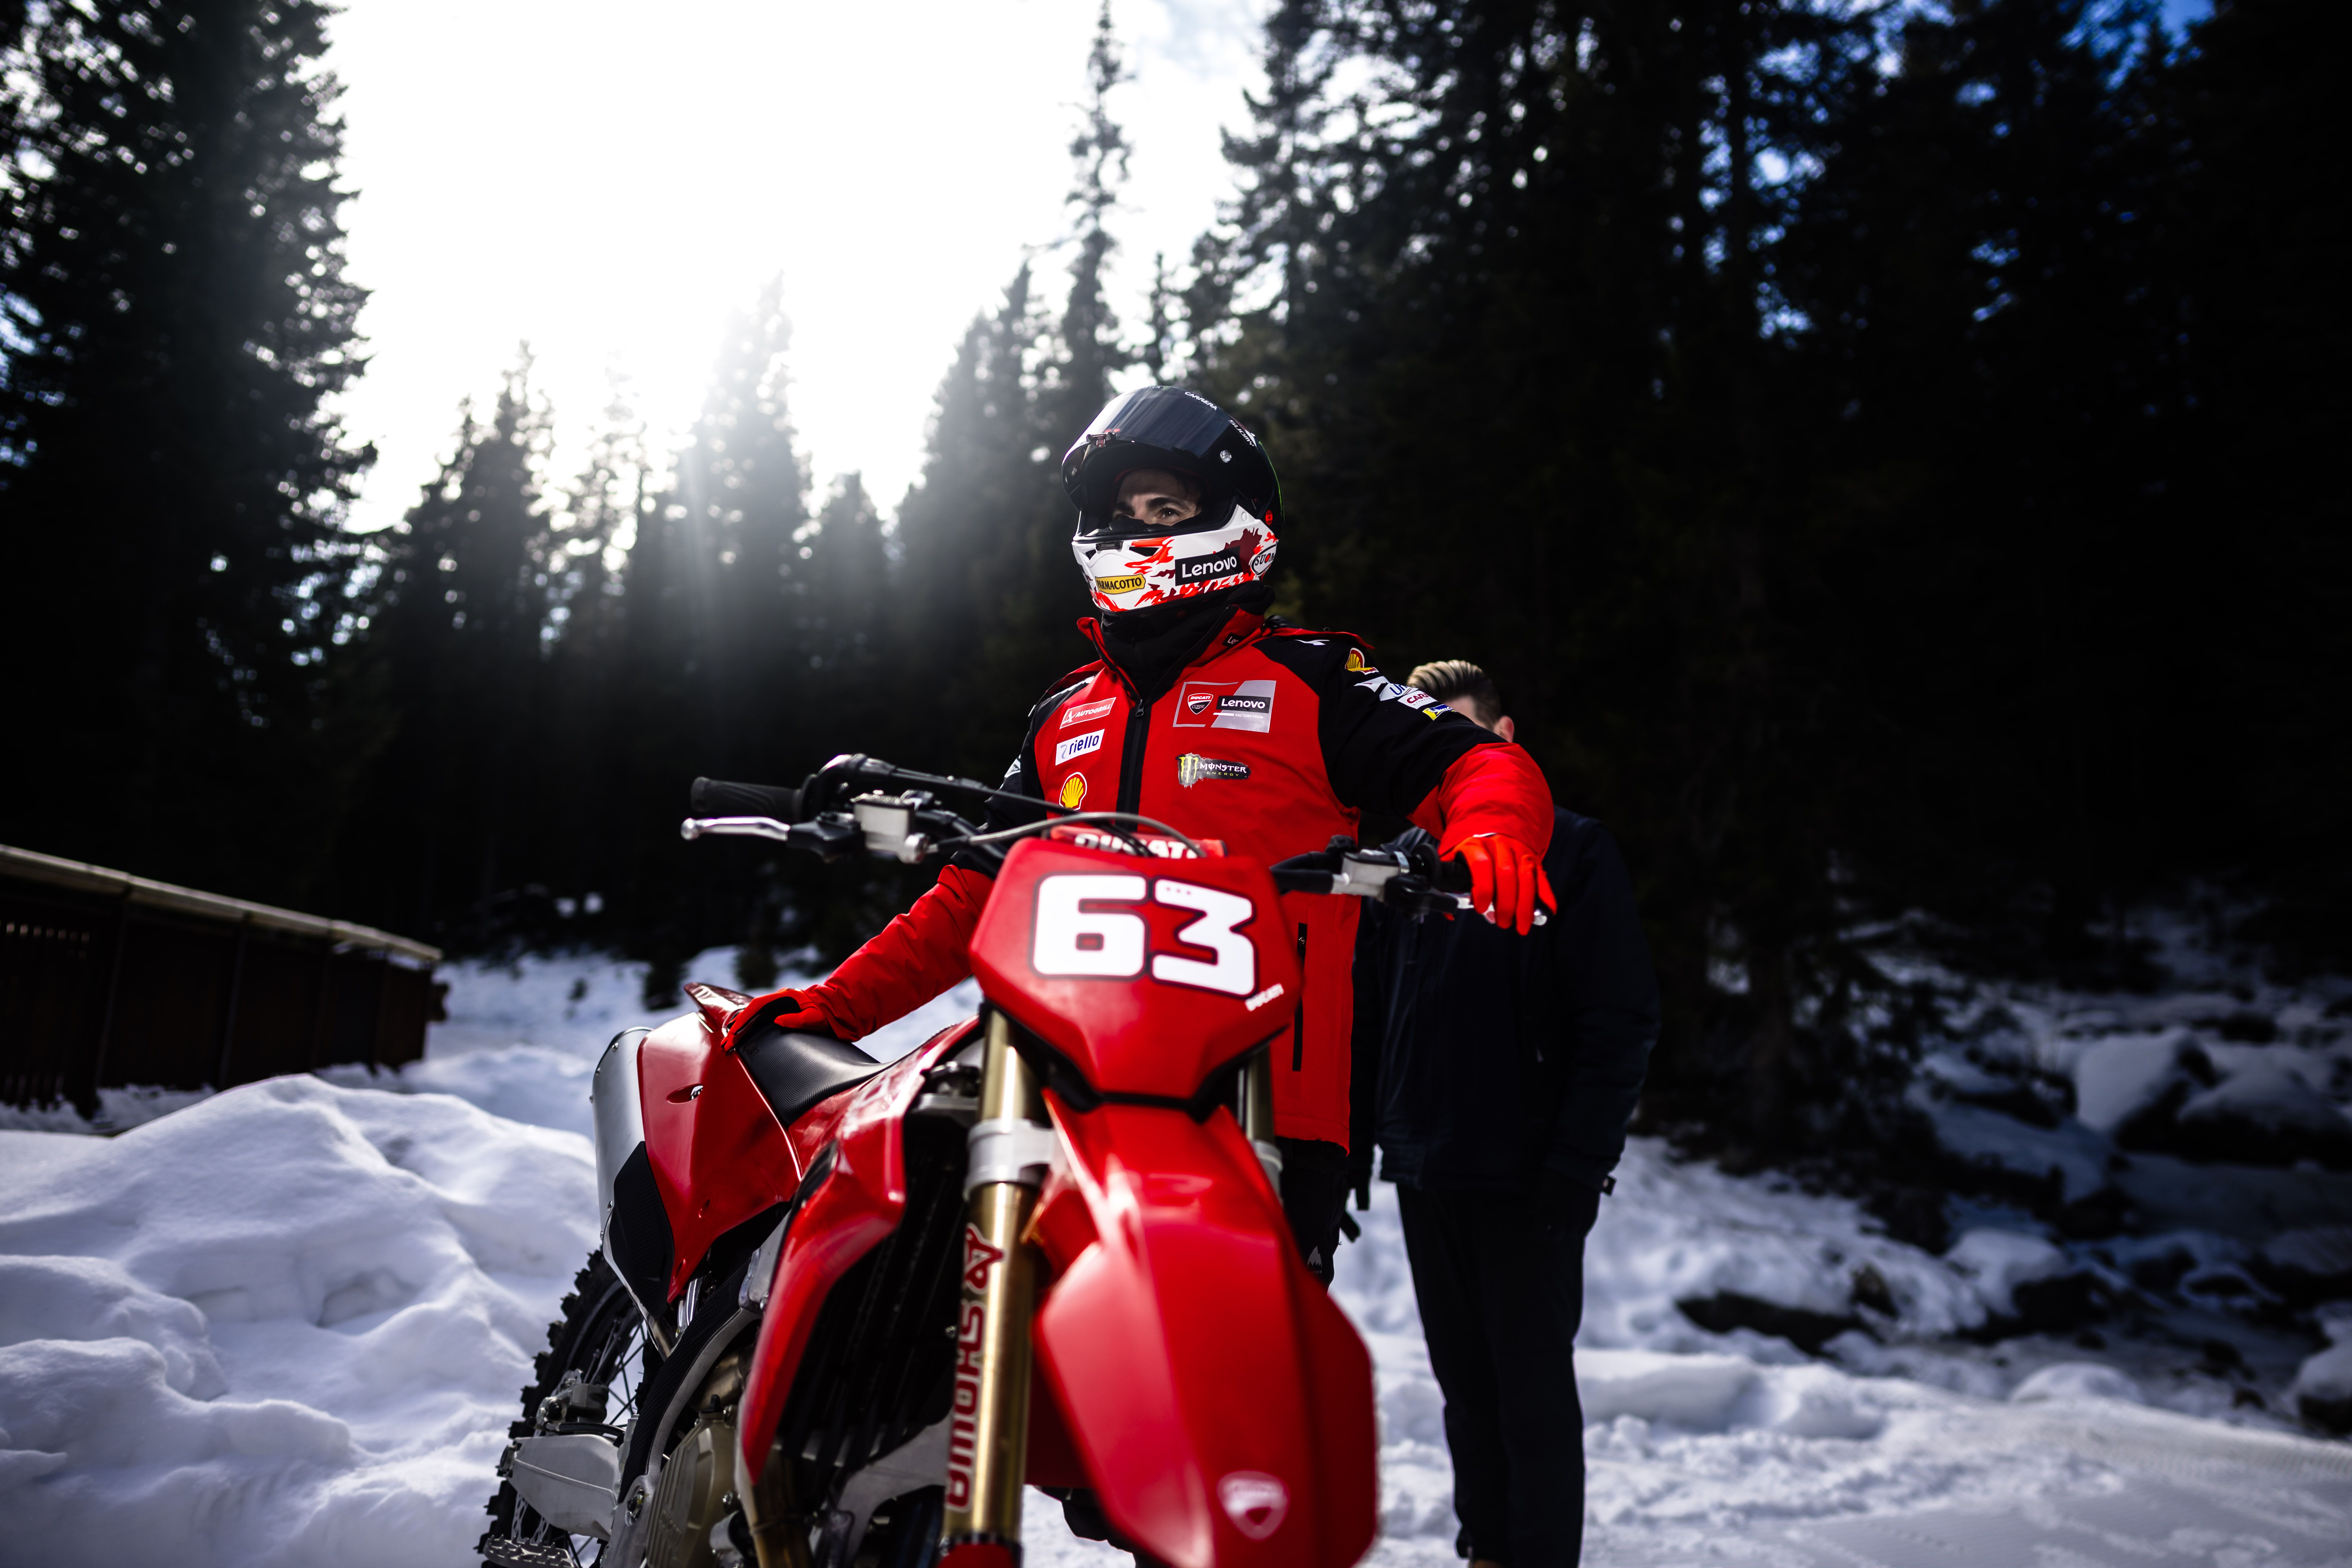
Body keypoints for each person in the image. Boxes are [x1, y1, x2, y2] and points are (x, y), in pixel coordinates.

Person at [728, 385, 1559, 1283]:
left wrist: (1494, 833)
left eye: (1165, 509)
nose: (1136, 529)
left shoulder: (1315, 683)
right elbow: (973, 895)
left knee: (1230, 1362)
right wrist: (836, 1008)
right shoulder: (1063, 715)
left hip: (1265, 1111)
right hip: (1055, 1095)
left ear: (1239, 523)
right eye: (1122, 511)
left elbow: (1478, 761)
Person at [1351, 659, 1657, 1568]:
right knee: (1463, 1386)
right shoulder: (1402, 862)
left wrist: (1577, 1165)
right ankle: (1486, 1551)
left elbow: (1621, 1018)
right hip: (1424, 1161)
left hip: (1528, 1171)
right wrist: (1361, 1140)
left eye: (1464, 736)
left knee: (1530, 1393)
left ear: (1506, 738)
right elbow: (1368, 1010)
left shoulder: (1573, 848)